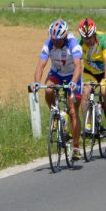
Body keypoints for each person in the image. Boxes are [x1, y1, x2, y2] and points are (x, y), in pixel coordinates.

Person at [32, 19, 84, 160]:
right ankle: (56, 114)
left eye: (58, 40)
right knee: (48, 90)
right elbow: (41, 66)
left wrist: (73, 82)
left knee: (73, 111)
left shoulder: (73, 43)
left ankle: (76, 146)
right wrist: (36, 83)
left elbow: (78, 66)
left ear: (65, 36)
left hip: (73, 75)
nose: (55, 42)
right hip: (57, 73)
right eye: (53, 39)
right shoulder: (48, 43)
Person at [77, 17, 106, 138]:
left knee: (105, 92)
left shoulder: (103, 39)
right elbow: (76, 63)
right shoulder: (79, 42)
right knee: (85, 92)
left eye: (89, 38)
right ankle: (88, 125)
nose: (87, 40)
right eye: (84, 38)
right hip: (90, 72)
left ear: (94, 34)